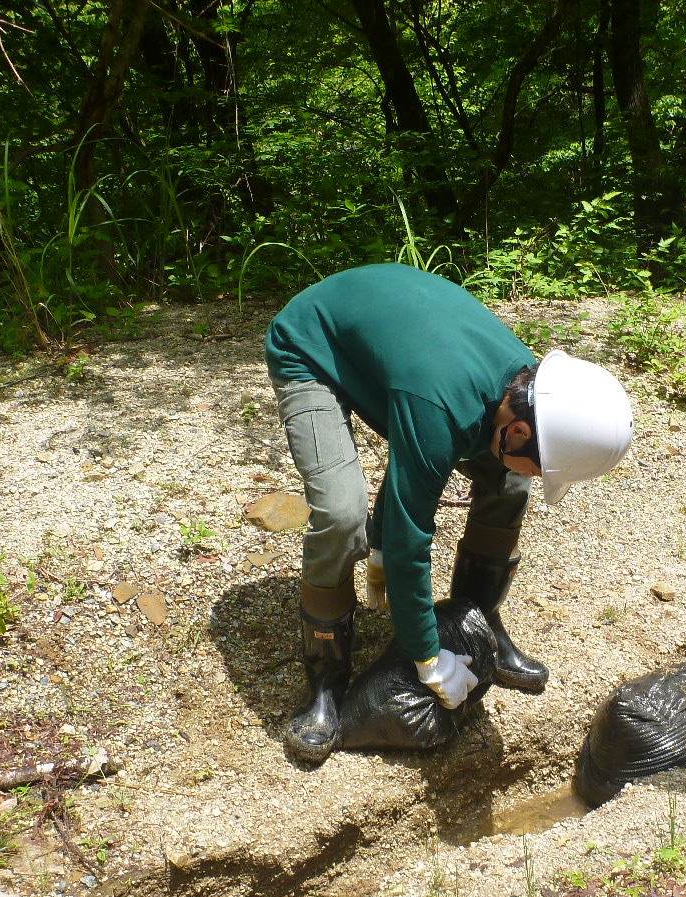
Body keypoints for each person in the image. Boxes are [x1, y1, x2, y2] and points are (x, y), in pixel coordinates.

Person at [264, 263, 634, 763]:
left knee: (508, 480)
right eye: (542, 464)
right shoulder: (444, 407)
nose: (538, 472)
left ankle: (476, 623)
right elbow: (409, 540)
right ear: (519, 432)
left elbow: (418, 464)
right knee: (342, 512)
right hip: (312, 347)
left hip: (399, 352)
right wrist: (427, 657)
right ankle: (326, 683)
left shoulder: (531, 395)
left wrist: (391, 552)